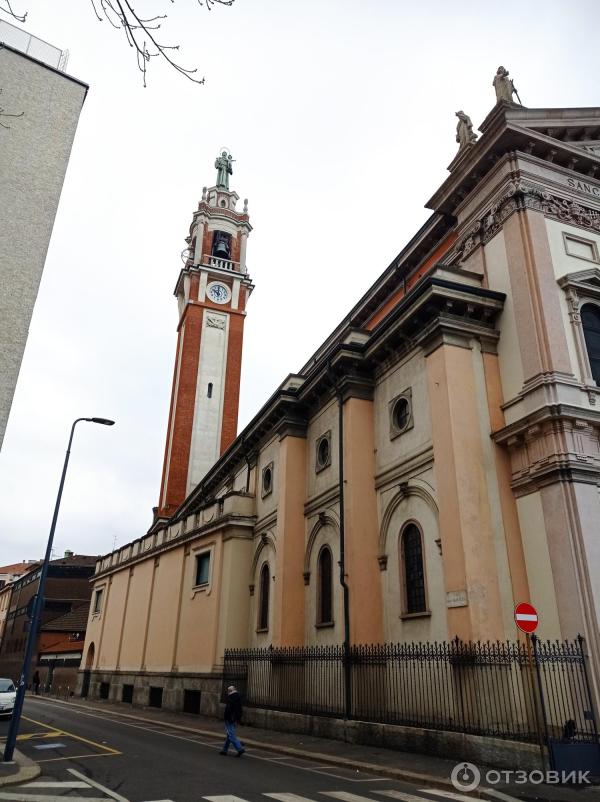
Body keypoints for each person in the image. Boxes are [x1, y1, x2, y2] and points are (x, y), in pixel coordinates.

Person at [219, 685, 245, 756]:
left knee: (231, 735)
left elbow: (229, 709)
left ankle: (240, 748)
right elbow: (239, 710)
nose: (227, 692)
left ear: (230, 691)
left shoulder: (231, 698)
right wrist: (238, 718)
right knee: (229, 734)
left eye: (228, 691)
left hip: (230, 718)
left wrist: (226, 717)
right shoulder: (238, 697)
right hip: (234, 718)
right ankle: (224, 750)